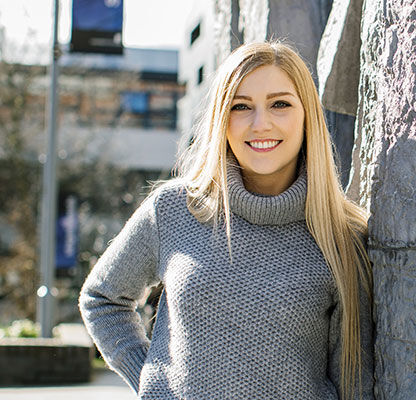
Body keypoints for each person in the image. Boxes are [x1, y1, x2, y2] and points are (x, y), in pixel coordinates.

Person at [79, 41, 374, 399]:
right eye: (241, 106)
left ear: (307, 115)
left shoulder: (342, 237)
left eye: (280, 104)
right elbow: (102, 298)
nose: (260, 123)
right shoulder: (175, 208)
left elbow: (353, 383)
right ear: (222, 118)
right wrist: (153, 382)